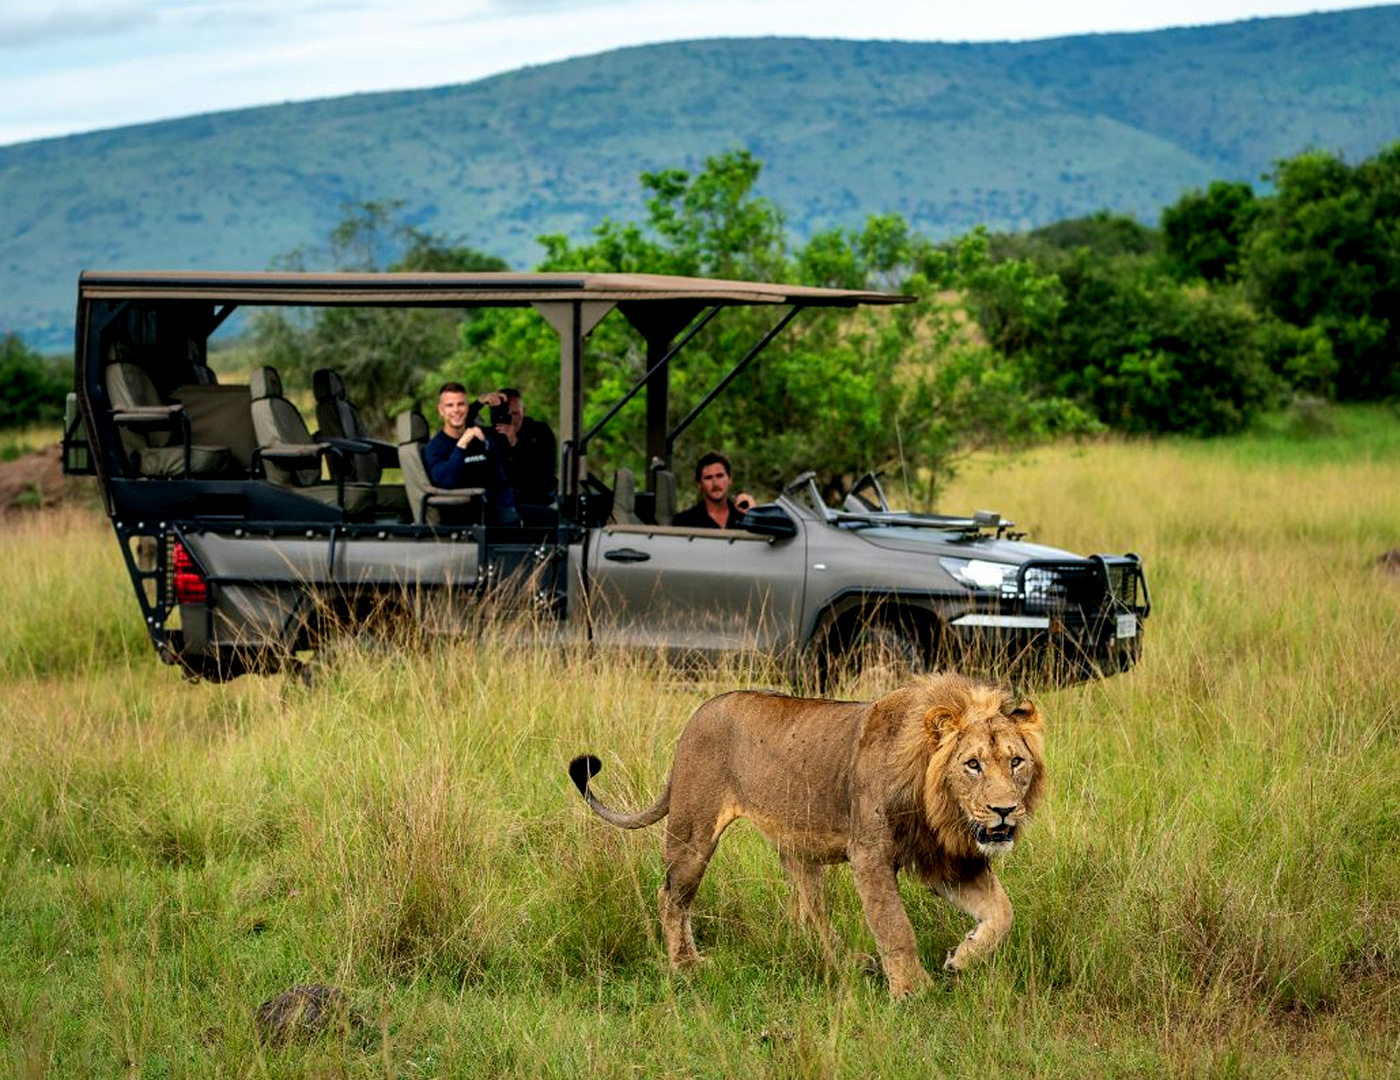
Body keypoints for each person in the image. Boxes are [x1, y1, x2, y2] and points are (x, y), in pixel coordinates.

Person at [423, 383, 520, 525]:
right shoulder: (435, 447)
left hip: (496, 512)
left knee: (550, 518)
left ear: (467, 408)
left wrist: (510, 510)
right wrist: (462, 444)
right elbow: (447, 480)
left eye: (461, 404)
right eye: (450, 405)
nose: (456, 410)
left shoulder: (482, 439)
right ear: (441, 410)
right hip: (465, 520)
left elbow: (501, 481)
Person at [492, 387, 558, 508]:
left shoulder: (540, 431)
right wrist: (479, 403)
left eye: (515, 413)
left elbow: (545, 471)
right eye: (505, 414)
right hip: (502, 504)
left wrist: (516, 443)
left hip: (537, 500)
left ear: (523, 411)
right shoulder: (491, 435)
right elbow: (461, 428)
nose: (511, 420)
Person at [671, 450, 754, 529]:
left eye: (720, 476)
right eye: (708, 478)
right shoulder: (685, 521)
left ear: (729, 479)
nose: (715, 483)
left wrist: (753, 513)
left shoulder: (743, 517)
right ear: (699, 484)